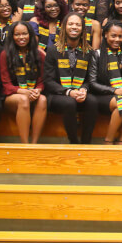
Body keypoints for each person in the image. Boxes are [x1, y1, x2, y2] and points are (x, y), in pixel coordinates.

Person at [44, 12, 99, 144]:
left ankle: (86, 142)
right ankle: (73, 142)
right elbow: (48, 80)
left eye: (78, 24)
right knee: (69, 102)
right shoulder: (53, 50)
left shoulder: (89, 51)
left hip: (79, 92)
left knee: (93, 101)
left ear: (83, 29)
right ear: (64, 27)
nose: (74, 27)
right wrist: (68, 92)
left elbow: (90, 79)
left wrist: (84, 90)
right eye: (70, 24)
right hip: (58, 94)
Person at [89, 21, 122, 145]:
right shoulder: (96, 54)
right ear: (105, 34)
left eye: (120, 36)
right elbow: (92, 83)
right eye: (113, 36)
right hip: (102, 95)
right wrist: (115, 91)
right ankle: (108, 141)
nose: (117, 39)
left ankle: (121, 140)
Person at [0, 21, 47, 144]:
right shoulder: (5, 54)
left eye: (24, 34)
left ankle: (34, 143)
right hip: (12, 95)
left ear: (30, 35)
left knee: (42, 99)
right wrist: (24, 92)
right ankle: (24, 145)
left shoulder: (39, 54)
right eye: (17, 34)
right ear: (12, 36)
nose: (21, 37)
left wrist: (38, 90)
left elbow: (42, 80)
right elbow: (6, 84)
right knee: (23, 100)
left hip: (31, 92)